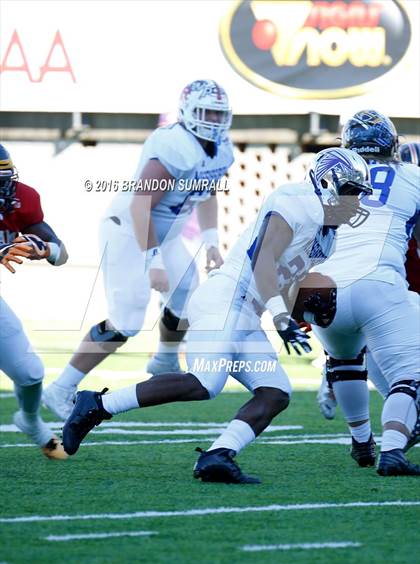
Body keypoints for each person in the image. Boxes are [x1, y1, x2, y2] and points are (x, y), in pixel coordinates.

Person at [61, 147, 372, 484]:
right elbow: (263, 259)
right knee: (205, 382)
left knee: (276, 391)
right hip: (225, 299)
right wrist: (281, 317)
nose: (356, 203)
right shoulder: (295, 202)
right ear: (327, 183)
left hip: (247, 314)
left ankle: (217, 455)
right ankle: (97, 405)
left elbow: (283, 279)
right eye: (352, 192)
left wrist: (305, 310)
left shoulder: (328, 239)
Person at [43, 80, 234, 421]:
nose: (213, 121)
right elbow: (140, 205)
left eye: (219, 113)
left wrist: (211, 241)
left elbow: (208, 191)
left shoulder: (220, 149)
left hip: (166, 234)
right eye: (207, 112)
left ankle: (163, 359)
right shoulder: (175, 145)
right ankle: (60, 389)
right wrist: (154, 259)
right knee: (126, 321)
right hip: (130, 231)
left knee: (187, 294)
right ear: (188, 111)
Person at [309, 111, 420, 476]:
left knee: (344, 362)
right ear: (392, 144)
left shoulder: (322, 176)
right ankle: (392, 452)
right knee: (411, 374)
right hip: (377, 284)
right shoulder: (412, 177)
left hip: (321, 289)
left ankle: (361, 441)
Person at [0, 144, 68, 459]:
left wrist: (45, 249)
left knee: (29, 373)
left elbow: (61, 252)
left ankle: (30, 421)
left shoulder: (21, 199)